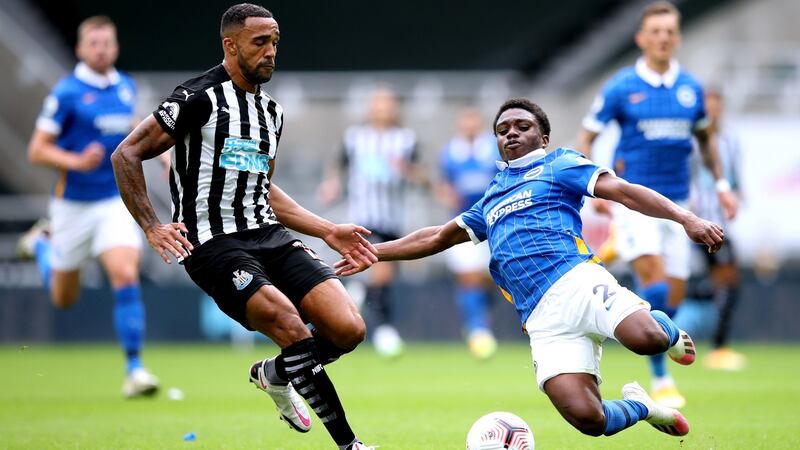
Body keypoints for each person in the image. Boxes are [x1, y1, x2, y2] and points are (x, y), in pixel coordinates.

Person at [336, 98, 726, 439]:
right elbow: (437, 236)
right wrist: (373, 252)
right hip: (540, 319)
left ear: (543, 138)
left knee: (647, 339)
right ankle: (643, 406)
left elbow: (623, 191)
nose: (511, 133)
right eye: (503, 129)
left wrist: (685, 218)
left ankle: (666, 330)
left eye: (523, 126)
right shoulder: (491, 197)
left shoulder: (560, 164)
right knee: (590, 420)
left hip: (577, 281)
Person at [111, 4, 377, 449]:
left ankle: (275, 373)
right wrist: (152, 226)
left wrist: (325, 228)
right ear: (230, 45)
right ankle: (350, 445)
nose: (271, 52)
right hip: (214, 243)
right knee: (290, 327)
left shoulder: (271, 112)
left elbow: (263, 187)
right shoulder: (196, 98)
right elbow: (126, 154)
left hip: (268, 234)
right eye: (260, 43)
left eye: (275, 42)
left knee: (348, 329)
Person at [575, 1, 737, 409]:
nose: (663, 38)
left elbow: (705, 141)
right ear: (641, 38)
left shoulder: (692, 90)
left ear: (677, 38)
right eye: (656, 31)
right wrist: (587, 186)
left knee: (673, 297)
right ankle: (661, 379)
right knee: (658, 281)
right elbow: (587, 137)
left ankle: (628, 299)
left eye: (670, 31)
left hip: (679, 207)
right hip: (635, 202)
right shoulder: (620, 87)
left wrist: (721, 185)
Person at [22, 15, 159, 398]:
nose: (101, 49)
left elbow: (134, 128)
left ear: (115, 47)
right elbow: (37, 149)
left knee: (126, 275)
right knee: (64, 298)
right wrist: (74, 161)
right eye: (94, 44)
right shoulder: (66, 93)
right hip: (73, 207)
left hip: (113, 201)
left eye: (107, 43)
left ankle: (135, 369)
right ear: (81, 49)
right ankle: (41, 247)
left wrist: (161, 155)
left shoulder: (126, 87)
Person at [318, 87, 423, 357]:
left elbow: (422, 177)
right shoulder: (355, 137)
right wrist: (331, 184)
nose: (383, 108)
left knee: (378, 274)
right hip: (360, 217)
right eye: (378, 103)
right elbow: (338, 166)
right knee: (380, 271)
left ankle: (358, 295)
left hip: (390, 216)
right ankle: (385, 330)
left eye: (387, 103)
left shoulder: (405, 139)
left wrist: (407, 171)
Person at [685, 88, 745, 371]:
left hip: (723, 223)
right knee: (725, 282)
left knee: (728, 283)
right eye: (708, 107)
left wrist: (737, 197)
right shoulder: (691, 142)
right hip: (696, 223)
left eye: (716, 107)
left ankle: (718, 346)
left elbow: (734, 178)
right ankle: (717, 347)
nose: (713, 112)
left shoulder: (731, 140)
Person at [436, 107, 499, 359]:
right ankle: (477, 330)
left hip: (494, 222)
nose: (469, 127)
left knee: (491, 278)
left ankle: (479, 317)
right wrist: (447, 195)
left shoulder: (493, 150)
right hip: (463, 223)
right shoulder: (450, 153)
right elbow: (442, 183)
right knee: (468, 277)